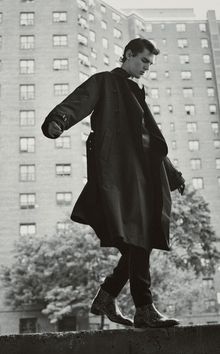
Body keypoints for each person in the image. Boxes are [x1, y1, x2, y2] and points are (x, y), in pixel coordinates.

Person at [41, 38, 185, 328]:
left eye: (150, 63)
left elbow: (150, 142)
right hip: (120, 176)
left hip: (142, 178)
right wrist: (58, 120)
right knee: (138, 239)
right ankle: (142, 308)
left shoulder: (136, 93)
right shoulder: (106, 82)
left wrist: (173, 174)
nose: (146, 67)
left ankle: (108, 296)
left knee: (139, 241)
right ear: (128, 55)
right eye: (143, 60)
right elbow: (80, 100)